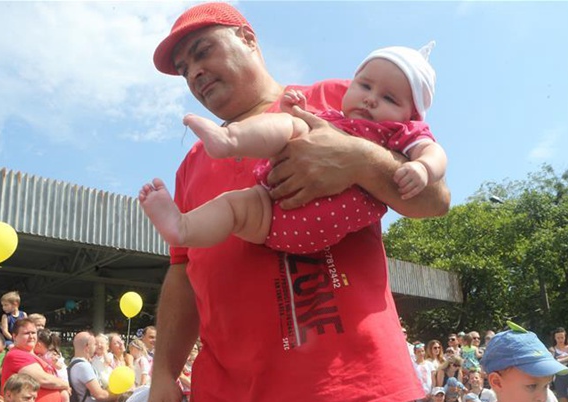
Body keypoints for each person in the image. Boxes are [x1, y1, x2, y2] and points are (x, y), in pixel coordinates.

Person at [144, 3, 449, 402]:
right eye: (183, 68)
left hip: (350, 393)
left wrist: (357, 157)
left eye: (203, 51)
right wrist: (164, 373)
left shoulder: (342, 97)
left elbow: (434, 198)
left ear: (248, 38)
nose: (193, 72)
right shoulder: (192, 165)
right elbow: (182, 273)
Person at [142, 43, 442, 254]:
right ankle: (182, 227)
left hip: (324, 225)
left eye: (390, 98)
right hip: (274, 216)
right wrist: (292, 110)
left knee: (297, 126)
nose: (371, 99)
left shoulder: (398, 129)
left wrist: (421, 167)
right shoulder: (336, 114)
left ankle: (233, 140)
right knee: (234, 206)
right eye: (364, 86)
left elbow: (437, 192)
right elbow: (183, 274)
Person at [1, 318, 70, 402]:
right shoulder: (16, 355)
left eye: (33, 333)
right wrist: (65, 384)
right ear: (14, 336)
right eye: (26, 333)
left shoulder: (39, 357)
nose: (31, 336)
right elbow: (43, 379)